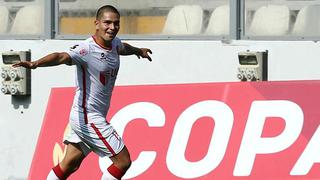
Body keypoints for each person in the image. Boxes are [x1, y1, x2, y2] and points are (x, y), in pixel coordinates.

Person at [13, 5, 152, 180]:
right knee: (123, 161)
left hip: (86, 116)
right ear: (96, 23)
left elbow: (123, 47)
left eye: (116, 23)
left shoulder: (114, 43)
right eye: (107, 23)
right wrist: (35, 63)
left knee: (70, 164)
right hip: (88, 117)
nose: (112, 27)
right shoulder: (86, 49)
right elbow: (61, 56)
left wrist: (139, 51)